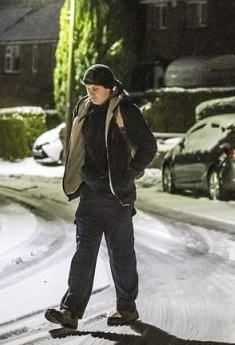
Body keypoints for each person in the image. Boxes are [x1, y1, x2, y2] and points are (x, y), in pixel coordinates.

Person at [45, 64, 157, 330]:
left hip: (118, 196)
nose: (91, 93)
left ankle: (127, 308)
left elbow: (149, 146)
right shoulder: (84, 109)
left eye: (95, 89)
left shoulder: (125, 111)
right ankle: (70, 311)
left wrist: (129, 174)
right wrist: (81, 176)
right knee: (84, 252)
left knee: (121, 254)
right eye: (87, 88)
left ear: (110, 88)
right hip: (90, 193)